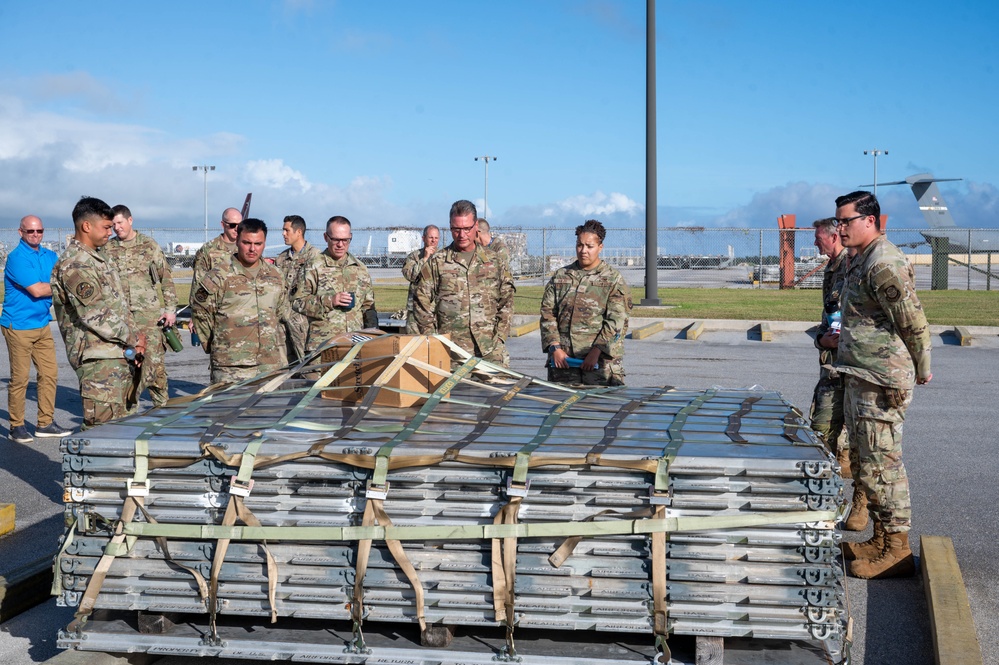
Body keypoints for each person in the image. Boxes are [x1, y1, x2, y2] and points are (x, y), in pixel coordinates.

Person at [833, 191, 932, 580]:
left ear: (870, 221)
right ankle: (879, 538)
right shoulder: (863, 259)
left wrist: (923, 366)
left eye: (845, 221)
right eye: (837, 221)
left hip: (881, 380)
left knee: (883, 465)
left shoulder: (884, 262)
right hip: (862, 375)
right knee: (866, 462)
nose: (839, 228)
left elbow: (911, 319)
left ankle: (897, 549)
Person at [52, 197, 146, 428]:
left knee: (122, 430)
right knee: (101, 435)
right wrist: (133, 338)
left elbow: (118, 306)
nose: (110, 232)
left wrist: (135, 341)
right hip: (98, 361)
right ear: (86, 226)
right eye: (106, 227)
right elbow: (95, 314)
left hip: (115, 354)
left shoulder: (98, 258)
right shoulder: (75, 264)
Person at [413, 200, 515, 366]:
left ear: (476, 226)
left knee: (496, 392)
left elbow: (507, 300)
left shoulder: (494, 261)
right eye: (456, 229)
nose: (462, 235)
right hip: (451, 355)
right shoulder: (437, 262)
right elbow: (421, 302)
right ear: (450, 227)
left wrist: (501, 337)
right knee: (454, 393)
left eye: (467, 229)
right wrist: (433, 339)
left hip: (490, 352)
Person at [1, 216, 72, 442]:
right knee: (21, 378)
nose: (35, 234)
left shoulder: (50, 256)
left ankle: (45, 423)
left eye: (39, 231)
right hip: (18, 326)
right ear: (20, 232)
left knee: (49, 374)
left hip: (42, 324)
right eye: (30, 231)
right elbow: (38, 290)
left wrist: (61, 285)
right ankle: (17, 426)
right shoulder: (16, 258)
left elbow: (67, 278)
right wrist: (60, 286)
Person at [192, 219, 288, 385]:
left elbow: (279, 312)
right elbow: (201, 312)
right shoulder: (219, 275)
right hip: (231, 366)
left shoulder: (275, 275)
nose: (252, 249)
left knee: (269, 410)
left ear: (265, 243)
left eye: (258, 243)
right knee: (229, 410)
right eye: (246, 243)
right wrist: (218, 346)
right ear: (237, 241)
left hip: (269, 364)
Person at [539, 220, 631, 386]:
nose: (583, 251)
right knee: (562, 409)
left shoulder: (612, 279)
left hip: (599, 366)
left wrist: (597, 351)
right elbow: (548, 313)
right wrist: (555, 347)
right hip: (564, 364)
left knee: (599, 409)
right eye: (580, 245)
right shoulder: (561, 276)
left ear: (600, 247)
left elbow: (616, 321)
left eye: (589, 246)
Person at [105, 205, 178, 408]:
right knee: (126, 366)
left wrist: (170, 309)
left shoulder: (148, 245)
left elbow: (166, 278)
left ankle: (162, 409)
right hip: (121, 319)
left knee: (155, 366)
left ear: (130, 220)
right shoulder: (108, 249)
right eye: (112, 225)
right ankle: (128, 411)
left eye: (119, 223)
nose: (116, 228)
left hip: (149, 317)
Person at [292, 216, 377, 355]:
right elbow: (297, 302)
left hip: (353, 348)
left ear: (350, 237)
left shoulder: (360, 268)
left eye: (345, 240)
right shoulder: (313, 266)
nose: (340, 244)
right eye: (335, 239)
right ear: (326, 237)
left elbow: (368, 307)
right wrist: (329, 301)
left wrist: (373, 338)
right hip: (322, 348)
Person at [808, 218, 851, 479]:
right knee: (823, 428)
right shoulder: (832, 267)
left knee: (829, 429)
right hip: (831, 359)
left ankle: (841, 469)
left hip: (848, 362)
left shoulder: (851, 266)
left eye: (818, 237)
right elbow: (829, 317)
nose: (814, 242)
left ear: (833, 237)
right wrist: (820, 340)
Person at [275, 215, 320, 361]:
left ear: (299, 232)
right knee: (284, 365)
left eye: (287, 230)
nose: (283, 234)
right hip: (282, 321)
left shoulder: (315, 257)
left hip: (304, 323)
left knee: (307, 364)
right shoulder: (281, 259)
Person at [401, 225, 440, 333]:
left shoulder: (443, 257)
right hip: (415, 310)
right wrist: (425, 258)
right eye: (430, 237)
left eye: (436, 238)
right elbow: (410, 276)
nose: (433, 241)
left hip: (435, 310)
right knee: (414, 345)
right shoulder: (414, 256)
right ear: (423, 239)